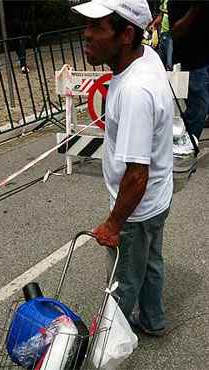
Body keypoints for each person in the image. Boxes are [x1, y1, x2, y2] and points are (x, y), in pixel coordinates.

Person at [72, 0, 174, 336]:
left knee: (122, 280)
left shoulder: (134, 91)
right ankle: (153, 320)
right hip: (158, 197)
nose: (86, 35)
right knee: (151, 262)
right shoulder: (147, 56)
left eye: (96, 27)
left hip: (137, 209)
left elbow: (136, 174)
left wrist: (114, 224)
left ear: (126, 34)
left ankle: (106, 349)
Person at [168, 0, 209, 142]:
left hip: (204, 59)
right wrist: (195, 8)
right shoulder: (177, 3)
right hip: (193, 62)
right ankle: (185, 145)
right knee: (198, 110)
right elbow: (175, 32)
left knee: (201, 108)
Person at [150, 0, 173, 70]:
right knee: (160, 62)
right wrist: (153, 25)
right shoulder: (164, 2)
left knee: (169, 63)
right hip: (163, 34)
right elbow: (161, 15)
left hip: (171, 35)